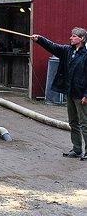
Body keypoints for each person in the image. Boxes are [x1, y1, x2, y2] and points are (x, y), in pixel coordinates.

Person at [32, 28, 87, 160]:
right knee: (73, 122)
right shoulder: (67, 51)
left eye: (74, 36)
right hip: (70, 92)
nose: (71, 38)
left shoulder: (86, 55)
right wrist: (39, 39)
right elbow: (52, 46)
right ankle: (77, 149)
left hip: (81, 95)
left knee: (85, 124)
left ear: (82, 39)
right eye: (71, 35)